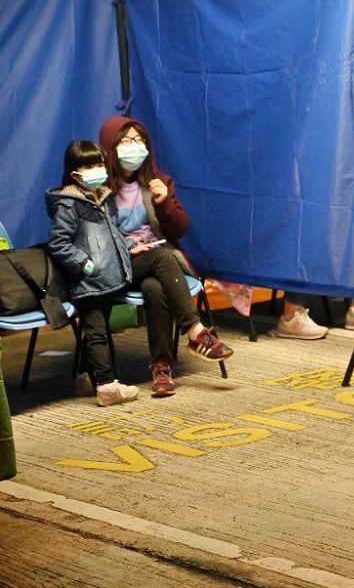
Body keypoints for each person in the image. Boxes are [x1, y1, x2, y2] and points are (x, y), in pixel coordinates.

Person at [99, 117, 233, 397]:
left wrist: (164, 204)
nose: (133, 146)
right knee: (162, 258)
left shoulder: (158, 182)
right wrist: (127, 247)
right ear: (111, 147)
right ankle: (196, 331)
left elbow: (180, 229)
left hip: (158, 268)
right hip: (121, 265)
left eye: (139, 141)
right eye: (125, 141)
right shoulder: (100, 189)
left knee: (155, 288)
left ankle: (161, 367)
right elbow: (96, 237)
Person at [46, 141, 141, 406]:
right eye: (88, 166)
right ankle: (107, 386)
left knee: (98, 331)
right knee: (96, 331)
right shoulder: (68, 204)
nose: (97, 170)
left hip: (111, 277)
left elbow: (115, 232)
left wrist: (130, 245)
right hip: (88, 281)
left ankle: (87, 377)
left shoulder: (104, 197)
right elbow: (58, 243)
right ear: (74, 172)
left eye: (99, 164)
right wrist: (83, 262)